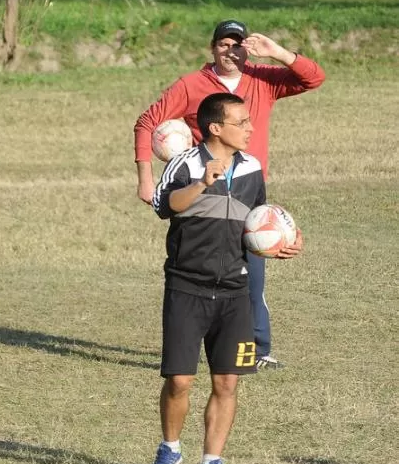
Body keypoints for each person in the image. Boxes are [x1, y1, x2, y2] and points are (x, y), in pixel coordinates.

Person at [134, 20, 324, 369]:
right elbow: (147, 122)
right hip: (204, 190)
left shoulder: (264, 79)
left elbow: (314, 78)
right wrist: (146, 178)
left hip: (249, 185)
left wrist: (277, 52)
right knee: (200, 269)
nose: (231, 50)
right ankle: (196, 344)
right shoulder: (191, 85)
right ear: (213, 47)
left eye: (238, 44)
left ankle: (258, 349)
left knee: (253, 269)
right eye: (224, 44)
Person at [146, 93, 302, 464]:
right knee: (180, 380)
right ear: (216, 128)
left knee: (227, 382)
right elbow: (165, 206)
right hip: (186, 287)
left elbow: (259, 219)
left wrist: (280, 242)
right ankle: (170, 448)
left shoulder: (252, 168)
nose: (251, 128)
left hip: (236, 290)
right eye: (242, 122)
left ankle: (211, 462)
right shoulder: (186, 164)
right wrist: (202, 184)